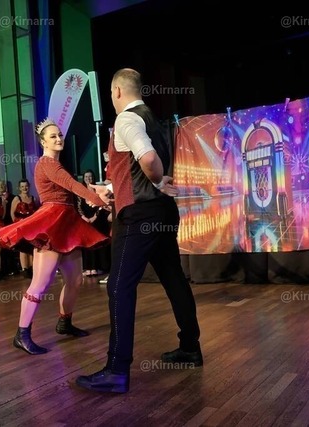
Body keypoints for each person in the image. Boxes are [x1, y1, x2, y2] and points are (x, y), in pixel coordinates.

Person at [76, 68, 202, 394]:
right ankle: (190, 347)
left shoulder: (126, 119)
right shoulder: (154, 120)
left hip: (139, 216)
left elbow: (147, 159)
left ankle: (116, 370)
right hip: (159, 210)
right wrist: (113, 190)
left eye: (110, 93)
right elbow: (136, 169)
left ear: (117, 91)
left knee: (119, 286)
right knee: (173, 277)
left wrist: (157, 178)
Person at [0, 119, 110, 355]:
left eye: (59, 135)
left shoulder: (56, 164)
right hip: (52, 222)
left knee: (75, 280)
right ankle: (22, 334)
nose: (59, 139)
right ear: (43, 142)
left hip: (67, 224)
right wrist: (98, 200)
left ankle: (64, 322)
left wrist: (98, 192)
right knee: (41, 283)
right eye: (53, 136)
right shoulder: (47, 163)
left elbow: (75, 187)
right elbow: (72, 185)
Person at [77, 169, 111, 277]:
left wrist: (94, 217)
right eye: (86, 177)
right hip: (85, 221)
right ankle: (89, 268)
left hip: (98, 220)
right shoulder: (81, 191)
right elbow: (78, 206)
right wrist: (85, 218)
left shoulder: (98, 190)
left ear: (93, 178)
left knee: (98, 244)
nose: (88, 178)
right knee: (88, 245)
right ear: (84, 178)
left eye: (90, 176)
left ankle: (99, 267)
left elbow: (101, 205)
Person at [10, 179, 37, 278]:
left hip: (31, 226)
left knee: (30, 247)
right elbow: (12, 213)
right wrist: (16, 225)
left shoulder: (33, 198)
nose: (24, 188)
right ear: (19, 188)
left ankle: (31, 268)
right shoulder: (17, 198)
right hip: (20, 226)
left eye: (26, 186)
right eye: (22, 186)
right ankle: (24, 269)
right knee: (22, 247)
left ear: (29, 187)